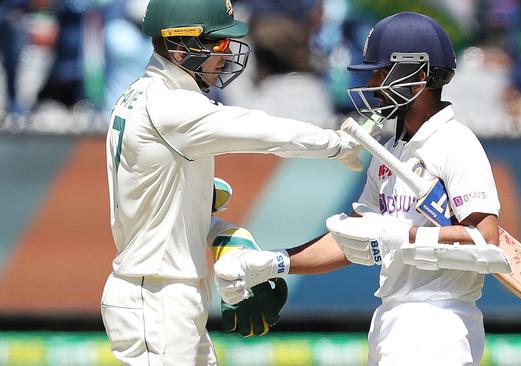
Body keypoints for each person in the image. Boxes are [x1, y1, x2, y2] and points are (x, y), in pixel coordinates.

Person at [215, 12, 510, 366]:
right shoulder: (391, 151)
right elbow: (351, 240)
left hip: (437, 321)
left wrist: (407, 236)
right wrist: (275, 262)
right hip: (391, 314)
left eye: (381, 72)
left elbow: (485, 238)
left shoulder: (455, 142)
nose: (372, 81)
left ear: (417, 76)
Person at [100, 0, 364, 364]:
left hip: (162, 292)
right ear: (181, 46)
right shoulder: (169, 107)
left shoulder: (143, 95)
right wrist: (335, 144)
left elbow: (173, 214)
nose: (226, 56)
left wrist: (231, 241)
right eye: (218, 44)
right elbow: (263, 132)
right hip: (156, 296)